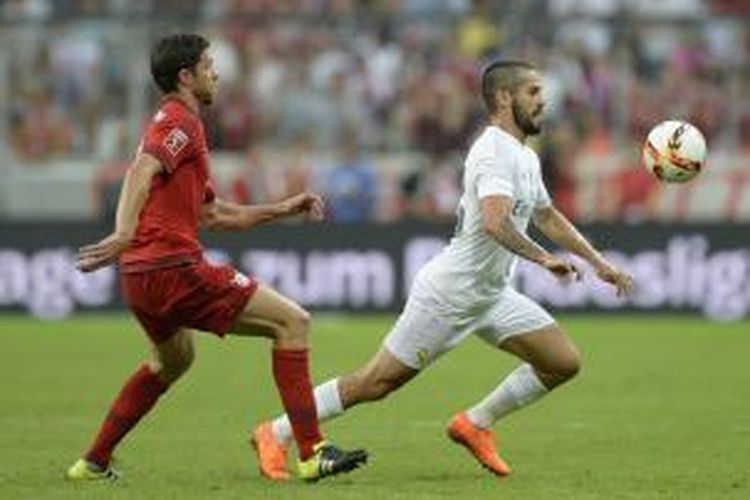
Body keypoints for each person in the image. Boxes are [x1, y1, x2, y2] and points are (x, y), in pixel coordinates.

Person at [251, 60, 634, 479]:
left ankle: (475, 423)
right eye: (533, 93)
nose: (543, 102)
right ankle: (277, 431)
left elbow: (547, 216)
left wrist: (597, 262)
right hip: (451, 292)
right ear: (504, 98)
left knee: (561, 362)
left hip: (491, 293)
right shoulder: (491, 151)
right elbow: (494, 220)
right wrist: (542, 259)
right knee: (374, 383)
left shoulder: (524, 155)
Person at [64, 33, 367, 483]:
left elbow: (215, 214)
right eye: (208, 65)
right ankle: (312, 451)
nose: (216, 73)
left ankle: (92, 463)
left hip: (141, 276)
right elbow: (140, 170)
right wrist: (123, 231)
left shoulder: (179, 125)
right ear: (186, 76)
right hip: (173, 268)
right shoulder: (180, 122)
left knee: (173, 361)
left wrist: (281, 209)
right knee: (293, 322)